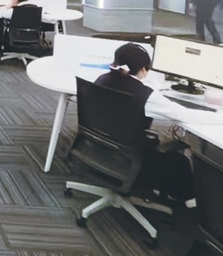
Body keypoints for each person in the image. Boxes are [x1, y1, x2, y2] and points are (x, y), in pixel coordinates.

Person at [95, 43, 223, 202]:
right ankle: (186, 204)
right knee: (179, 162)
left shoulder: (102, 79)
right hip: (129, 160)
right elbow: (184, 115)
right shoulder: (144, 95)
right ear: (143, 69)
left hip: (99, 150)